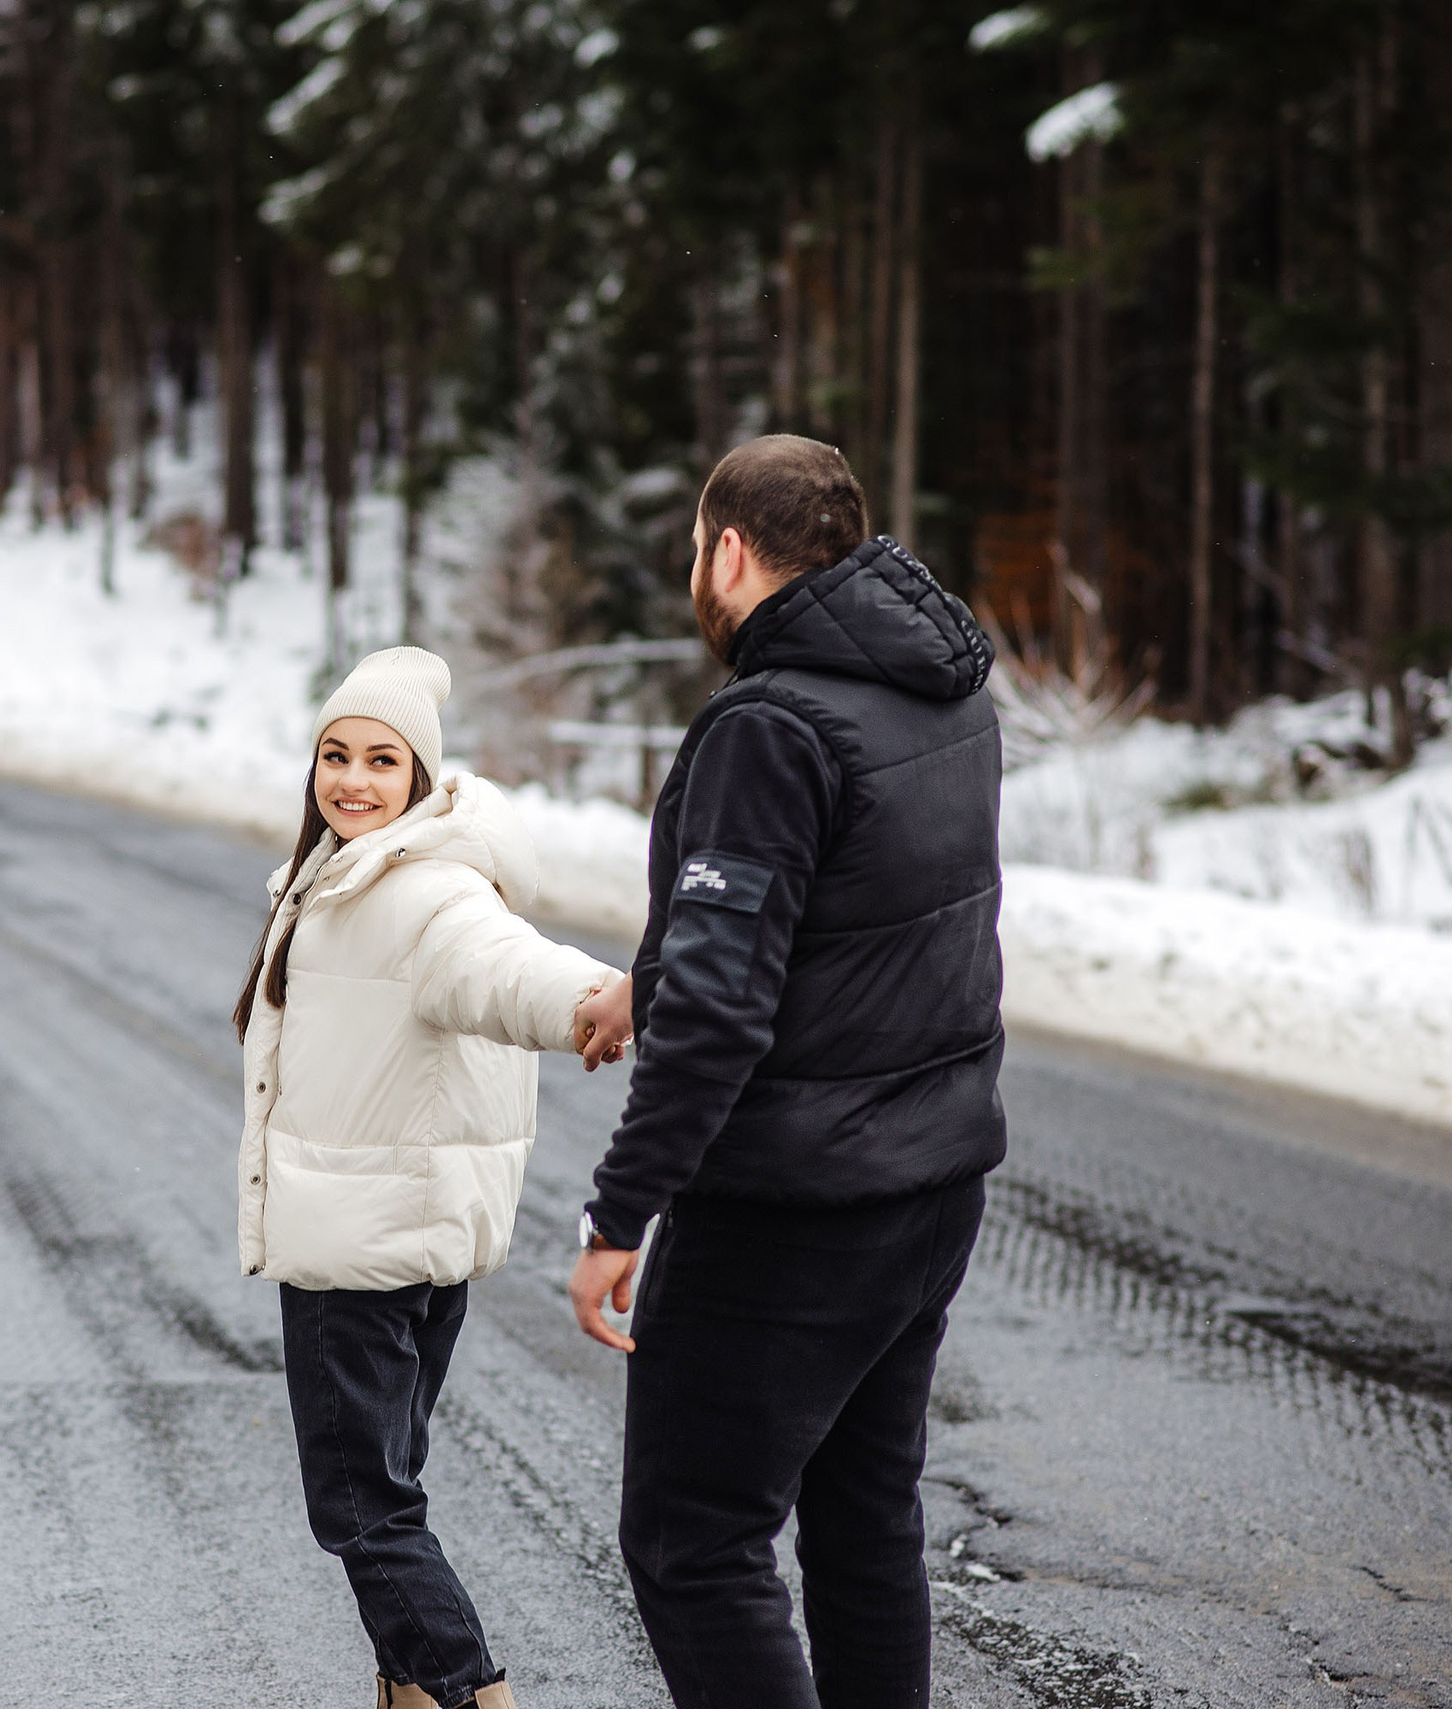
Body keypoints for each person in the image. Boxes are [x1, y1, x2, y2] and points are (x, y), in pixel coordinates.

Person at [566, 436, 1005, 1709]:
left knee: (692, 1539)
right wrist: (645, 978)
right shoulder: (943, 690)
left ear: (730, 550)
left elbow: (719, 1010)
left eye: (693, 548)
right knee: (866, 1523)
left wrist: (616, 1210)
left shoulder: (770, 725)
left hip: (790, 1213)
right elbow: (855, 912)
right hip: (928, 1187)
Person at [235, 645, 630, 1709]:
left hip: (358, 1248)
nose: (351, 780)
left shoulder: (421, 891)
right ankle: (407, 1688)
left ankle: (467, 1690)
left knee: (363, 1508)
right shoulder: (343, 876)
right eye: (334, 754)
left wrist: (597, 995)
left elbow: (503, 965)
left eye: (379, 759)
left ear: (418, 776)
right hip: (396, 1237)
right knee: (385, 1490)